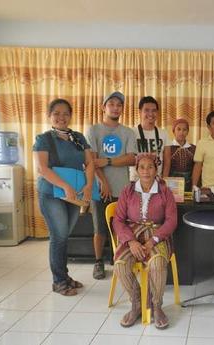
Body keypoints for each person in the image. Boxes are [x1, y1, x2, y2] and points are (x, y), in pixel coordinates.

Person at [33, 98, 94, 296]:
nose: (61, 117)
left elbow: (90, 163)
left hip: (74, 195)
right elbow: (42, 169)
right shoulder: (44, 139)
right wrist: (65, 185)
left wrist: (88, 186)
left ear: (70, 116)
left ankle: (64, 276)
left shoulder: (78, 137)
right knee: (58, 237)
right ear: (49, 116)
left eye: (65, 113)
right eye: (56, 113)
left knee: (64, 236)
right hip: (52, 193)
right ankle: (59, 281)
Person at [113, 153, 177, 329]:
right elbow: (118, 219)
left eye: (150, 167)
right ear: (137, 170)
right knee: (120, 264)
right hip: (132, 234)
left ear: (156, 170)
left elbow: (171, 220)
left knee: (157, 263)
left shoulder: (165, 191)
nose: (146, 171)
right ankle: (137, 303)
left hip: (158, 234)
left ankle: (156, 306)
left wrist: (153, 240)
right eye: (142, 167)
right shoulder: (128, 190)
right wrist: (131, 242)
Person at [86, 91, 136, 279]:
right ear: (103, 107)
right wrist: (103, 182)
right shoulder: (93, 130)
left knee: (120, 226)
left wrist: (106, 161)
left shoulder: (127, 132)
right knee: (99, 228)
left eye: (119, 105)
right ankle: (98, 262)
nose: (115, 108)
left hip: (122, 189)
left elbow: (131, 159)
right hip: (100, 189)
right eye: (111, 104)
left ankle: (119, 259)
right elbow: (92, 160)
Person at [132, 96, 171, 178]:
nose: (150, 114)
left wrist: (163, 180)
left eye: (154, 111)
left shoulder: (164, 133)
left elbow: (167, 161)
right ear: (140, 112)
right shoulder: (131, 133)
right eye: (146, 110)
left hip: (156, 180)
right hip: (135, 181)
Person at [167, 118, 196, 191]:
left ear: (187, 132)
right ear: (174, 131)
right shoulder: (168, 147)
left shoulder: (193, 148)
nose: (181, 132)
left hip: (188, 185)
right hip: (171, 185)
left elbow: (196, 168)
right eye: (178, 129)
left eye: (184, 130)